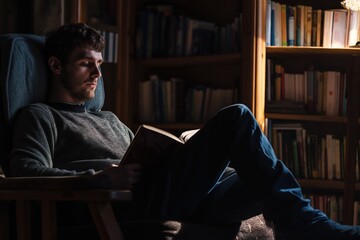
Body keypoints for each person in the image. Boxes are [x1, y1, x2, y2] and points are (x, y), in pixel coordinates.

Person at [8, 23, 360, 240]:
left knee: (261, 175)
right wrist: (97, 178)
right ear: (55, 66)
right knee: (236, 117)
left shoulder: (110, 119)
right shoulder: (39, 116)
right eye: (86, 63)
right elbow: (25, 174)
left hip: (162, 192)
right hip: (120, 205)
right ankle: (309, 228)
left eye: (100, 64)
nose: (98, 75)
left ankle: (305, 225)